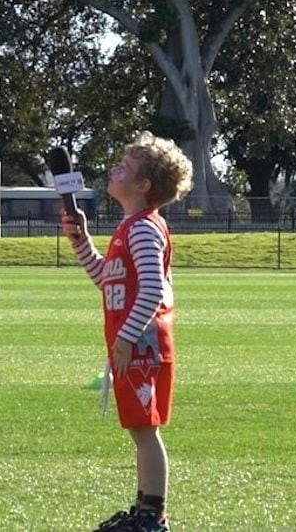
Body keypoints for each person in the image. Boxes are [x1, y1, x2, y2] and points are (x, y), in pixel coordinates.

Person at [60, 132, 194, 532]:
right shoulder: (130, 227)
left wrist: (125, 338)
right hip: (133, 344)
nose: (114, 170)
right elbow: (108, 278)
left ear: (143, 185)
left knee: (145, 429)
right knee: (139, 428)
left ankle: (153, 516)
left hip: (143, 345)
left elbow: (152, 289)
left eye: (125, 167)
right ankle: (144, 509)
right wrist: (81, 241)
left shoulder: (142, 229)